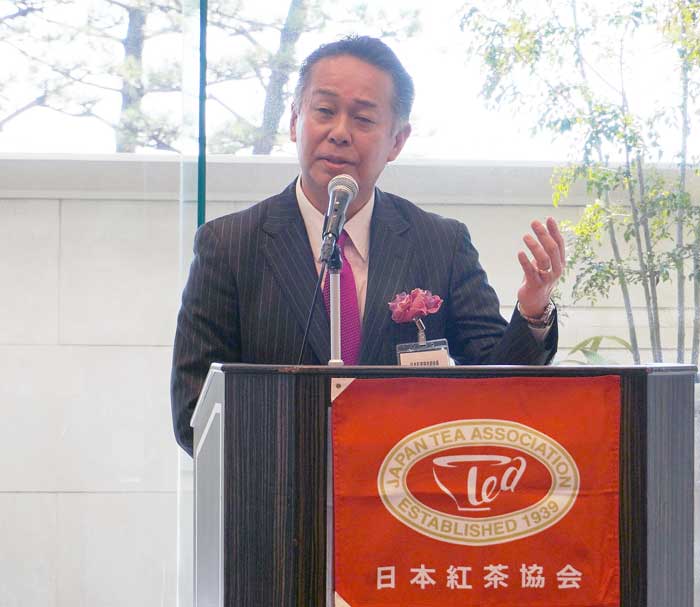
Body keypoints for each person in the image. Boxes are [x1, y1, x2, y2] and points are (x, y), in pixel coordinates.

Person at [171, 36, 565, 456]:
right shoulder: (230, 245)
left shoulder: (441, 243)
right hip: (279, 491)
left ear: (397, 141)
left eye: (362, 119)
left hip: (402, 490)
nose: (339, 133)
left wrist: (533, 310)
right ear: (294, 121)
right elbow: (196, 412)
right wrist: (312, 460)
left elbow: (497, 383)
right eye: (324, 111)